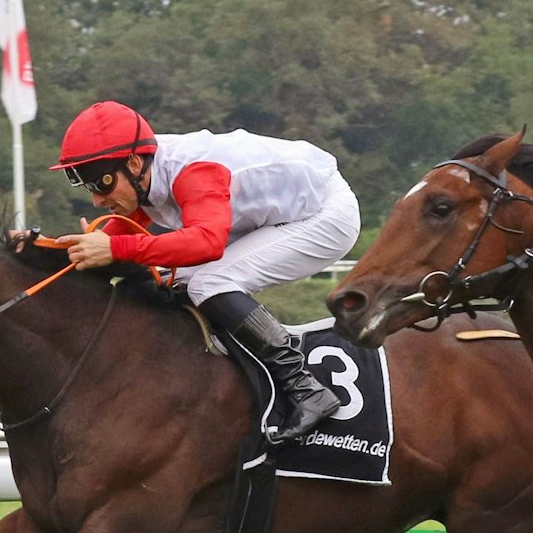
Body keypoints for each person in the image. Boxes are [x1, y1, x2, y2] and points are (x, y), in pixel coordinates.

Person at [50, 100, 359, 442]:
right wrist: (67, 251)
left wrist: (113, 249)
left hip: (323, 213)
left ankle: (306, 389)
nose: (96, 200)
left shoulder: (194, 171)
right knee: (173, 278)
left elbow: (207, 243)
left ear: (134, 163)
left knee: (211, 282)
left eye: (102, 184)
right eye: (89, 186)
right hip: (271, 214)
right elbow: (135, 220)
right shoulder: (145, 169)